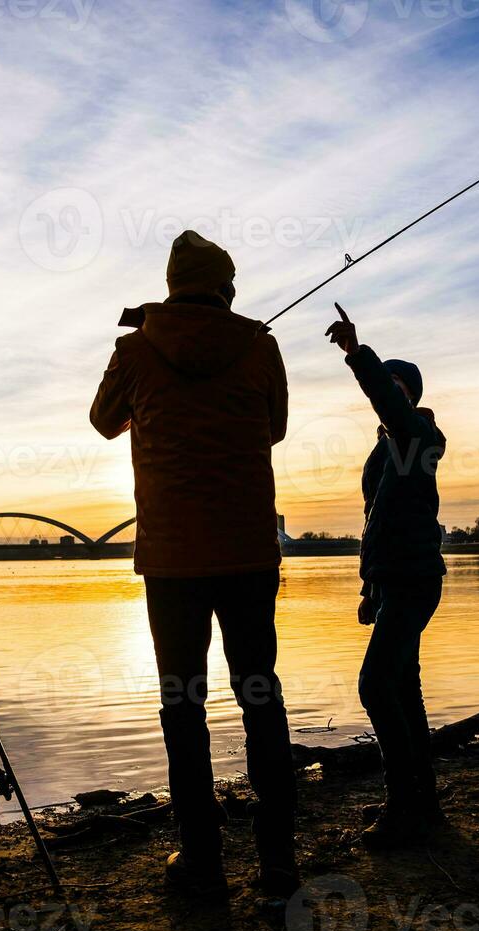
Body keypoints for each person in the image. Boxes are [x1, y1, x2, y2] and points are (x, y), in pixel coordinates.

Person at [90, 230, 297, 893]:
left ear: (173, 286)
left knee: (183, 704)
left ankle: (202, 860)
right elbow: (276, 428)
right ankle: (278, 861)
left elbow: (102, 421)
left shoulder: (134, 348)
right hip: (247, 552)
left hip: (172, 559)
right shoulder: (261, 345)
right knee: (259, 694)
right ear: (226, 288)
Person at [324, 304, 447, 847]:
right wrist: (369, 589)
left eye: (398, 386)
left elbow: (391, 405)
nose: (390, 393)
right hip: (396, 579)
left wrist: (359, 355)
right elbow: (375, 525)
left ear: (409, 395)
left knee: (375, 687)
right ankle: (425, 802)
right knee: (404, 688)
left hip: (416, 579)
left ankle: (403, 808)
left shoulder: (413, 436)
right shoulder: (387, 451)